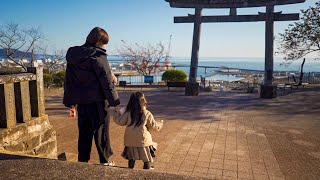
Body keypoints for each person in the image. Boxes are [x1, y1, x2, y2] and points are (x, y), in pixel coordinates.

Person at [63, 27, 120, 166]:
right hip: (98, 101)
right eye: (104, 42)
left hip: (81, 102)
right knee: (101, 132)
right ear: (99, 41)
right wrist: (115, 102)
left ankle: (82, 161)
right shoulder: (98, 56)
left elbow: (69, 80)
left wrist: (70, 102)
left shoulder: (74, 55)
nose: (104, 46)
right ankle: (105, 160)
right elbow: (106, 81)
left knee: (84, 132)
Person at [113, 92, 163, 170]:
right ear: (143, 101)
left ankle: (130, 168)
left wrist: (116, 114)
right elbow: (154, 126)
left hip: (130, 140)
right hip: (143, 141)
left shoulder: (128, 113)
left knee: (131, 157)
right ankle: (147, 167)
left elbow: (120, 121)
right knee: (146, 157)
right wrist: (160, 124)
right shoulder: (147, 113)